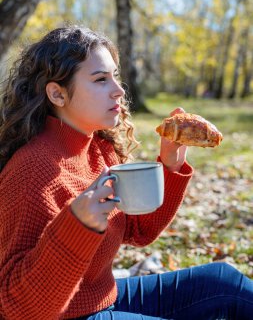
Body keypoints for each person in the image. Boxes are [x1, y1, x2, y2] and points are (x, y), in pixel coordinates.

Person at [0, 26, 252, 320]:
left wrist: (169, 166)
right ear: (57, 93)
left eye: (115, 76)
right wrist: (76, 224)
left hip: (102, 298)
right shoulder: (33, 170)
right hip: (62, 316)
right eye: (100, 79)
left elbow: (138, 230)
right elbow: (17, 309)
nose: (119, 90)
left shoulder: (98, 148)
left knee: (222, 282)